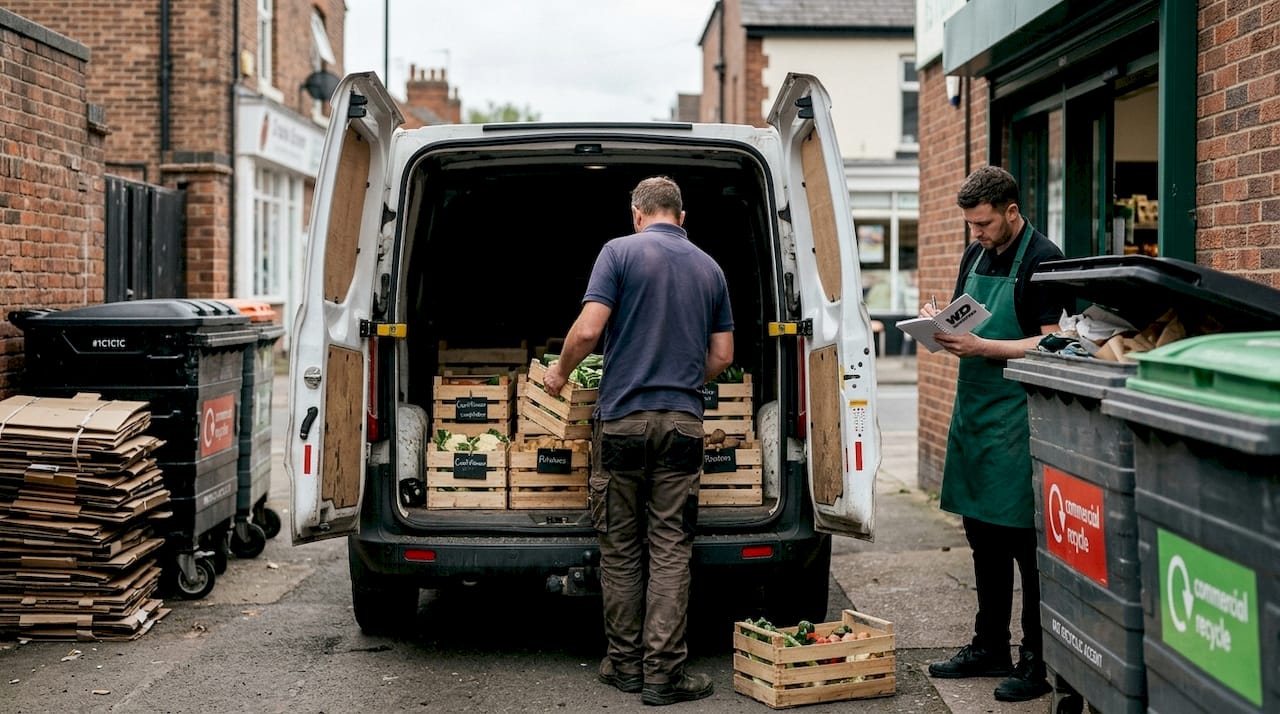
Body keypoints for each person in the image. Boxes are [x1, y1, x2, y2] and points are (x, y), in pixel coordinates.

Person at [542, 176, 734, 706]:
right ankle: (663, 676)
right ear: (682, 215)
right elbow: (722, 356)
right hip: (682, 422)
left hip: (622, 420)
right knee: (671, 548)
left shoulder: (618, 252)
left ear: (637, 214)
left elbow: (586, 332)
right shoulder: (710, 267)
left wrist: (559, 374)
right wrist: (685, 383)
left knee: (621, 548)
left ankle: (624, 667)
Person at [923, 166, 1067, 703]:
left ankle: (1036, 658)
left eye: (983, 224)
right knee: (981, 534)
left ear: (1011, 210)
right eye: (970, 225)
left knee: (1024, 545)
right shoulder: (976, 254)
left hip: (1017, 416)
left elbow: (1053, 343)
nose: (976, 234)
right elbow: (968, 318)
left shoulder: (1043, 259)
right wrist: (940, 325)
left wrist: (984, 349)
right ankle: (989, 645)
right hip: (975, 412)